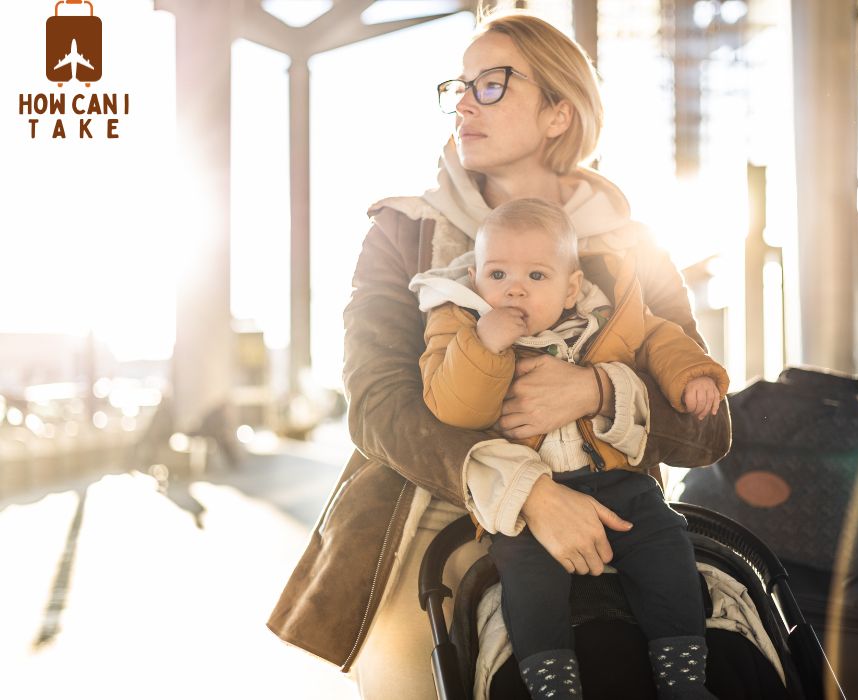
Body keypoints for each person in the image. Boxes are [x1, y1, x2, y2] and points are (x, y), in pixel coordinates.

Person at [266, 10, 732, 699]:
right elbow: (375, 406)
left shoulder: (633, 245)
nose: (462, 101)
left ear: (557, 115)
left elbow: (708, 428)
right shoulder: (405, 231)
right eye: (459, 85)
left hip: (608, 505)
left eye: (491, 85)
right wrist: (529, 494)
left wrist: (598, 391)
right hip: (428, 504)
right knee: (409, 674)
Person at [411, 198, 729, 699]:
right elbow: (453, 408)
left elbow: (661, 340)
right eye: (497, 274)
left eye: (537, 276)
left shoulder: (610, 311)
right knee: (527, 578)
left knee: (666, 543)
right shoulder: (460, 323)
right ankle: (553, 685)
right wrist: (483, 345)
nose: (514, 287)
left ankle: (683, 676)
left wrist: (693, 376)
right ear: (475, 279)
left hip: (618, 479)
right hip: (527, 494)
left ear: (571, 287)